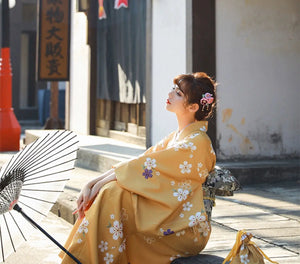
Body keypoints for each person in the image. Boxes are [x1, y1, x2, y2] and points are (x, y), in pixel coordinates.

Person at [60, 72, 217, 264]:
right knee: (112, 192)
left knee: (113, 193)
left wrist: (98, 183)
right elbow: (142, 160)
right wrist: (93, 183)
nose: (170, 93)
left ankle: (87, 259)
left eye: (178, 93)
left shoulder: (198, 142)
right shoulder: (178, 136)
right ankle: (87, 258)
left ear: (193, 107)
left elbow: (145, 167)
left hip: (183, 227)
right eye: (173, 89)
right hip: (169, 216)